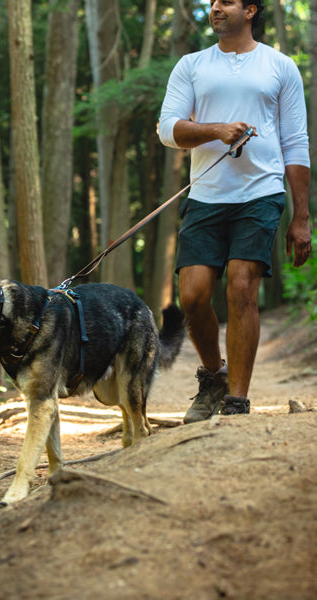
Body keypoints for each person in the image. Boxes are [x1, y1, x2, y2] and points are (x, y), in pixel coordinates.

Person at [158, 0, 312, 422]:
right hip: (205, 195)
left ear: (251, 10)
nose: (215, 8)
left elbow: (296, 143)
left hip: (260, 194)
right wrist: (216, 130)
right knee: (192, 297)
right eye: (213, 2)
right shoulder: (191, 65)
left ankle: (237, 402)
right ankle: (213, 377)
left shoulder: (280, 66)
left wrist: (301, 217)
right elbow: (167, 129)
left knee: (242, 288)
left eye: (226, 2)